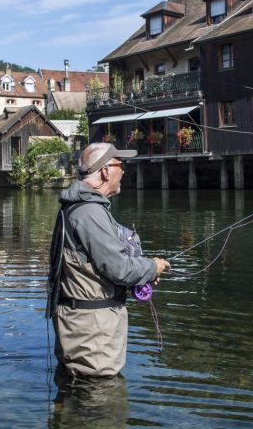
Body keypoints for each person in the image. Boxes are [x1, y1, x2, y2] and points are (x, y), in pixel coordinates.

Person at [47, 142, 170, 378]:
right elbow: (120, 269)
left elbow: (99, 267)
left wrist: (142, 274)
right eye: (120, 165)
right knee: (100, 403)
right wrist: (153, 266)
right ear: (105, 171)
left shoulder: (80, 207)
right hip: (92, 334)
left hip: (85, 328)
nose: (124, 171)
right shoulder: (89, 212)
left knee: (80, 396)